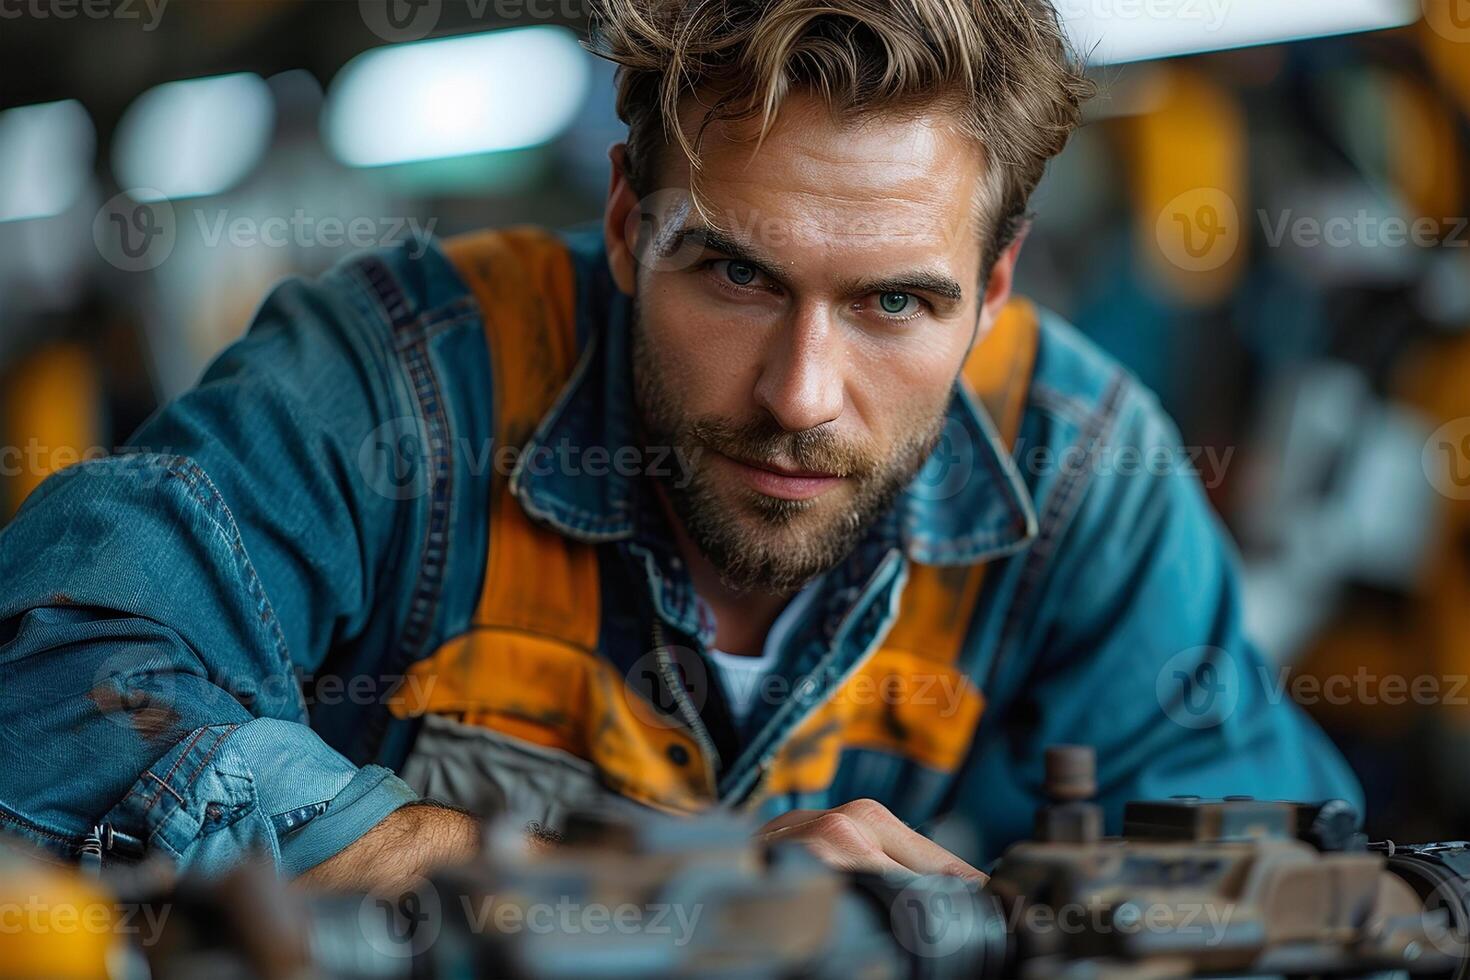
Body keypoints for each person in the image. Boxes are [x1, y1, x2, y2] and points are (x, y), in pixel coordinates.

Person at [0, 0, 1359, 892]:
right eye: (736, 276)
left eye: (894, 300)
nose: (800, 396)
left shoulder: (1080, 471)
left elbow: (1283, 872)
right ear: (623, 223)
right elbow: (56, 681)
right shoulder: (396, 383)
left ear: (993, 288)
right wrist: (580, 889)